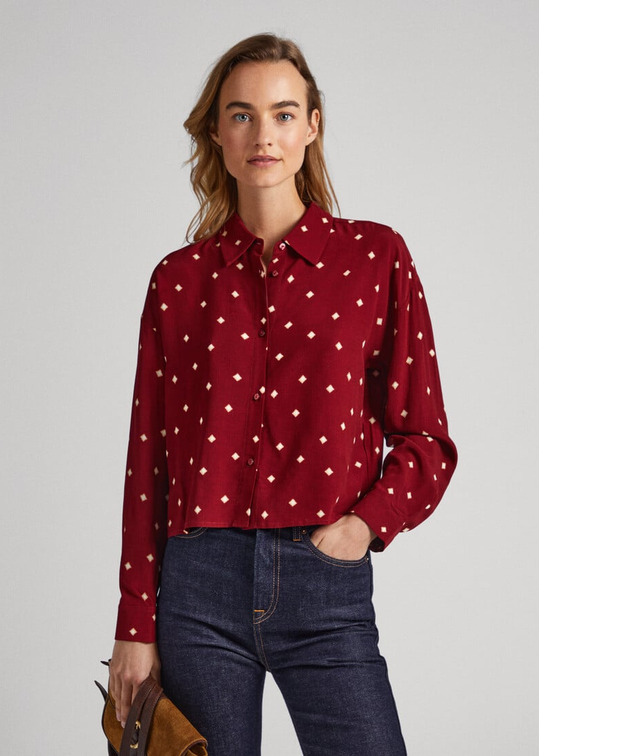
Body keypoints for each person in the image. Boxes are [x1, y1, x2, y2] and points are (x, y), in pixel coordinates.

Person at [108, 32, 457, 755]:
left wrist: (361, 527)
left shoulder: (375, 258)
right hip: (199, 588)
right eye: (241, 115)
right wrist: (134, 624)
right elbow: (149, 466)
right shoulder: (178, 281)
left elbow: (426, 439)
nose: (263, 134)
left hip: (323, 580)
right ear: (216, 131)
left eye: (283, 114)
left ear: (312, 126)